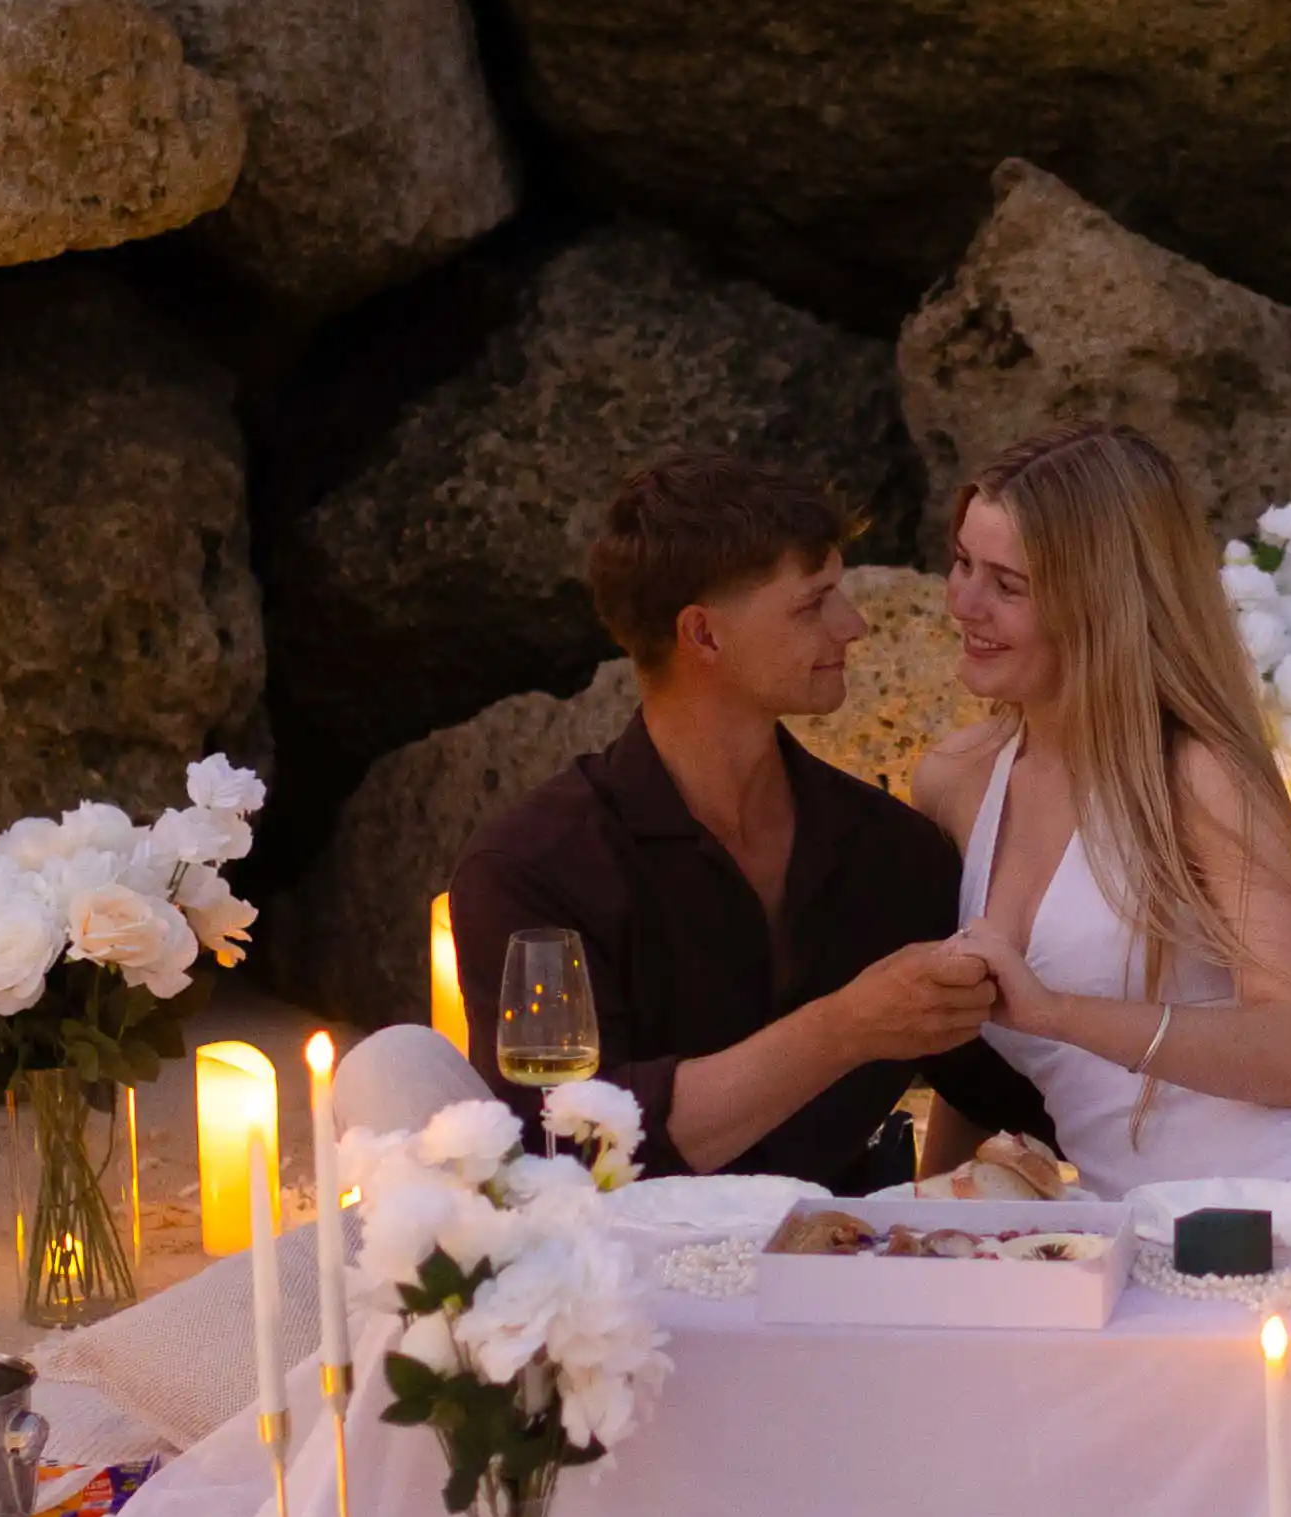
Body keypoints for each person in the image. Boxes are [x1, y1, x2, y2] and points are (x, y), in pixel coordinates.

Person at [444, 456, 1051, 1186]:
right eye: (812, 603)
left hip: (848, 1274)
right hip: (619, 1288)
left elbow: (1005, 1091)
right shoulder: (530, 872)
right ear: (702, 635)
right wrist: (846, 1028)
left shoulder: (896, 856)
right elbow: (568, 1149)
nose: (853, 625)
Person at [910, 425, 1291, 1200]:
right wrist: (931, 1220)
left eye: (1008, 585)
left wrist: (1060, 1013)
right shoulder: (954, 781)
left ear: (1103, 605)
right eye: (963, 564)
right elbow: (967, 1066)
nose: (963, 604)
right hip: (1134, 1227)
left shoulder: (1201, 777)